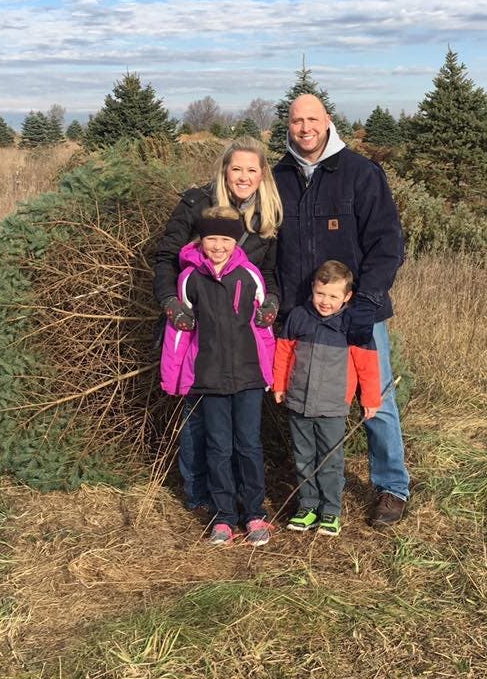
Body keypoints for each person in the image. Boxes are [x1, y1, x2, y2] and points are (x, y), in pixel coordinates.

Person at [272, 93, 410, 527]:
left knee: (376, 398)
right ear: (288, 125)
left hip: (358, 313)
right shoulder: (276, 178)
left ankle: (391, 486)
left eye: (312, 119)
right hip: (302, 316)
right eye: (297, 121)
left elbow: (387, 244)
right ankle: (310, 489)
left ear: (328, 121)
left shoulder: (360, 173)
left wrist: (365, 304)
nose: (305, 128)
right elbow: (267, 246)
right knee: (302, 399)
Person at [153, 137, 282, 517]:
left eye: (252, 170)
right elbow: (166, 257)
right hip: (197, 332)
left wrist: (273, 301)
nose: (243, 176)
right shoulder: (198, 202)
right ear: (224, 170)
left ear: (262, 176)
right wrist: (170, 302)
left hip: (241, 343)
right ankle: (200, 496)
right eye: (236, 168)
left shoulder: (267, 217)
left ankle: (245, 501)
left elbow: (271, 274)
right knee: (198, 424)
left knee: (243, 434)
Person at [160, 206, 275, 546]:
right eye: (211, 238)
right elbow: (178, 335)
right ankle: (224, 517)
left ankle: (255, 513)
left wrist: (268, 372)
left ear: (235, 240)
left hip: (248, 377)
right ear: (201, 239)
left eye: (225, 238)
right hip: (208, 379)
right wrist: (173, 377)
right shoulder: (189, 278)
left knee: (249, 445)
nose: (218, 246)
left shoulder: (249, 274)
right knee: (218, 447)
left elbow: (263, 331)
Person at [272, 260, 381, 536]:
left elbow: (367, 364)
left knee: (330, 460)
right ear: (312, 288)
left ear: (347, 297)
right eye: (321, 293)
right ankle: (307, 506)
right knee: (303, 456)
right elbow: (283, 353)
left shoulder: (351, 325)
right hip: (298, 401)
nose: (325, 301)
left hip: (333, 406)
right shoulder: (298, 317)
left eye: (333, 296)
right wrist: (279, 384)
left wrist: (370, 398)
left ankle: (331, 511)